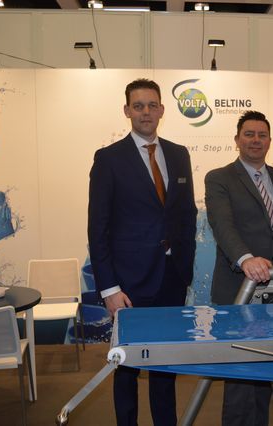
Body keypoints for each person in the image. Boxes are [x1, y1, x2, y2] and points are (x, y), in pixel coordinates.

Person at [87, 78, 197, 426]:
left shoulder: (178, 154)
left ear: (162, 109)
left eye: (152, 105)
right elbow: (98, 228)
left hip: (172, 279)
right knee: (127, 367)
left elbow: (187, 214)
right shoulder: (108, 159)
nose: (145, 112)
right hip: (128, 285)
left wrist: (186, 267)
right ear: (127, 111)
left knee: (165, 365)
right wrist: (109, 288)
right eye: (138, 106)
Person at [205, 110, 273, 426]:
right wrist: (246, 259)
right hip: (238, 291)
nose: (256, 140)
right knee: (239, 377)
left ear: (270, 141)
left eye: (262, 135)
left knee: (269, 371)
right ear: (237, 140)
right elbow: (223, 226)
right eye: (249, 134)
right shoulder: (219, 178)